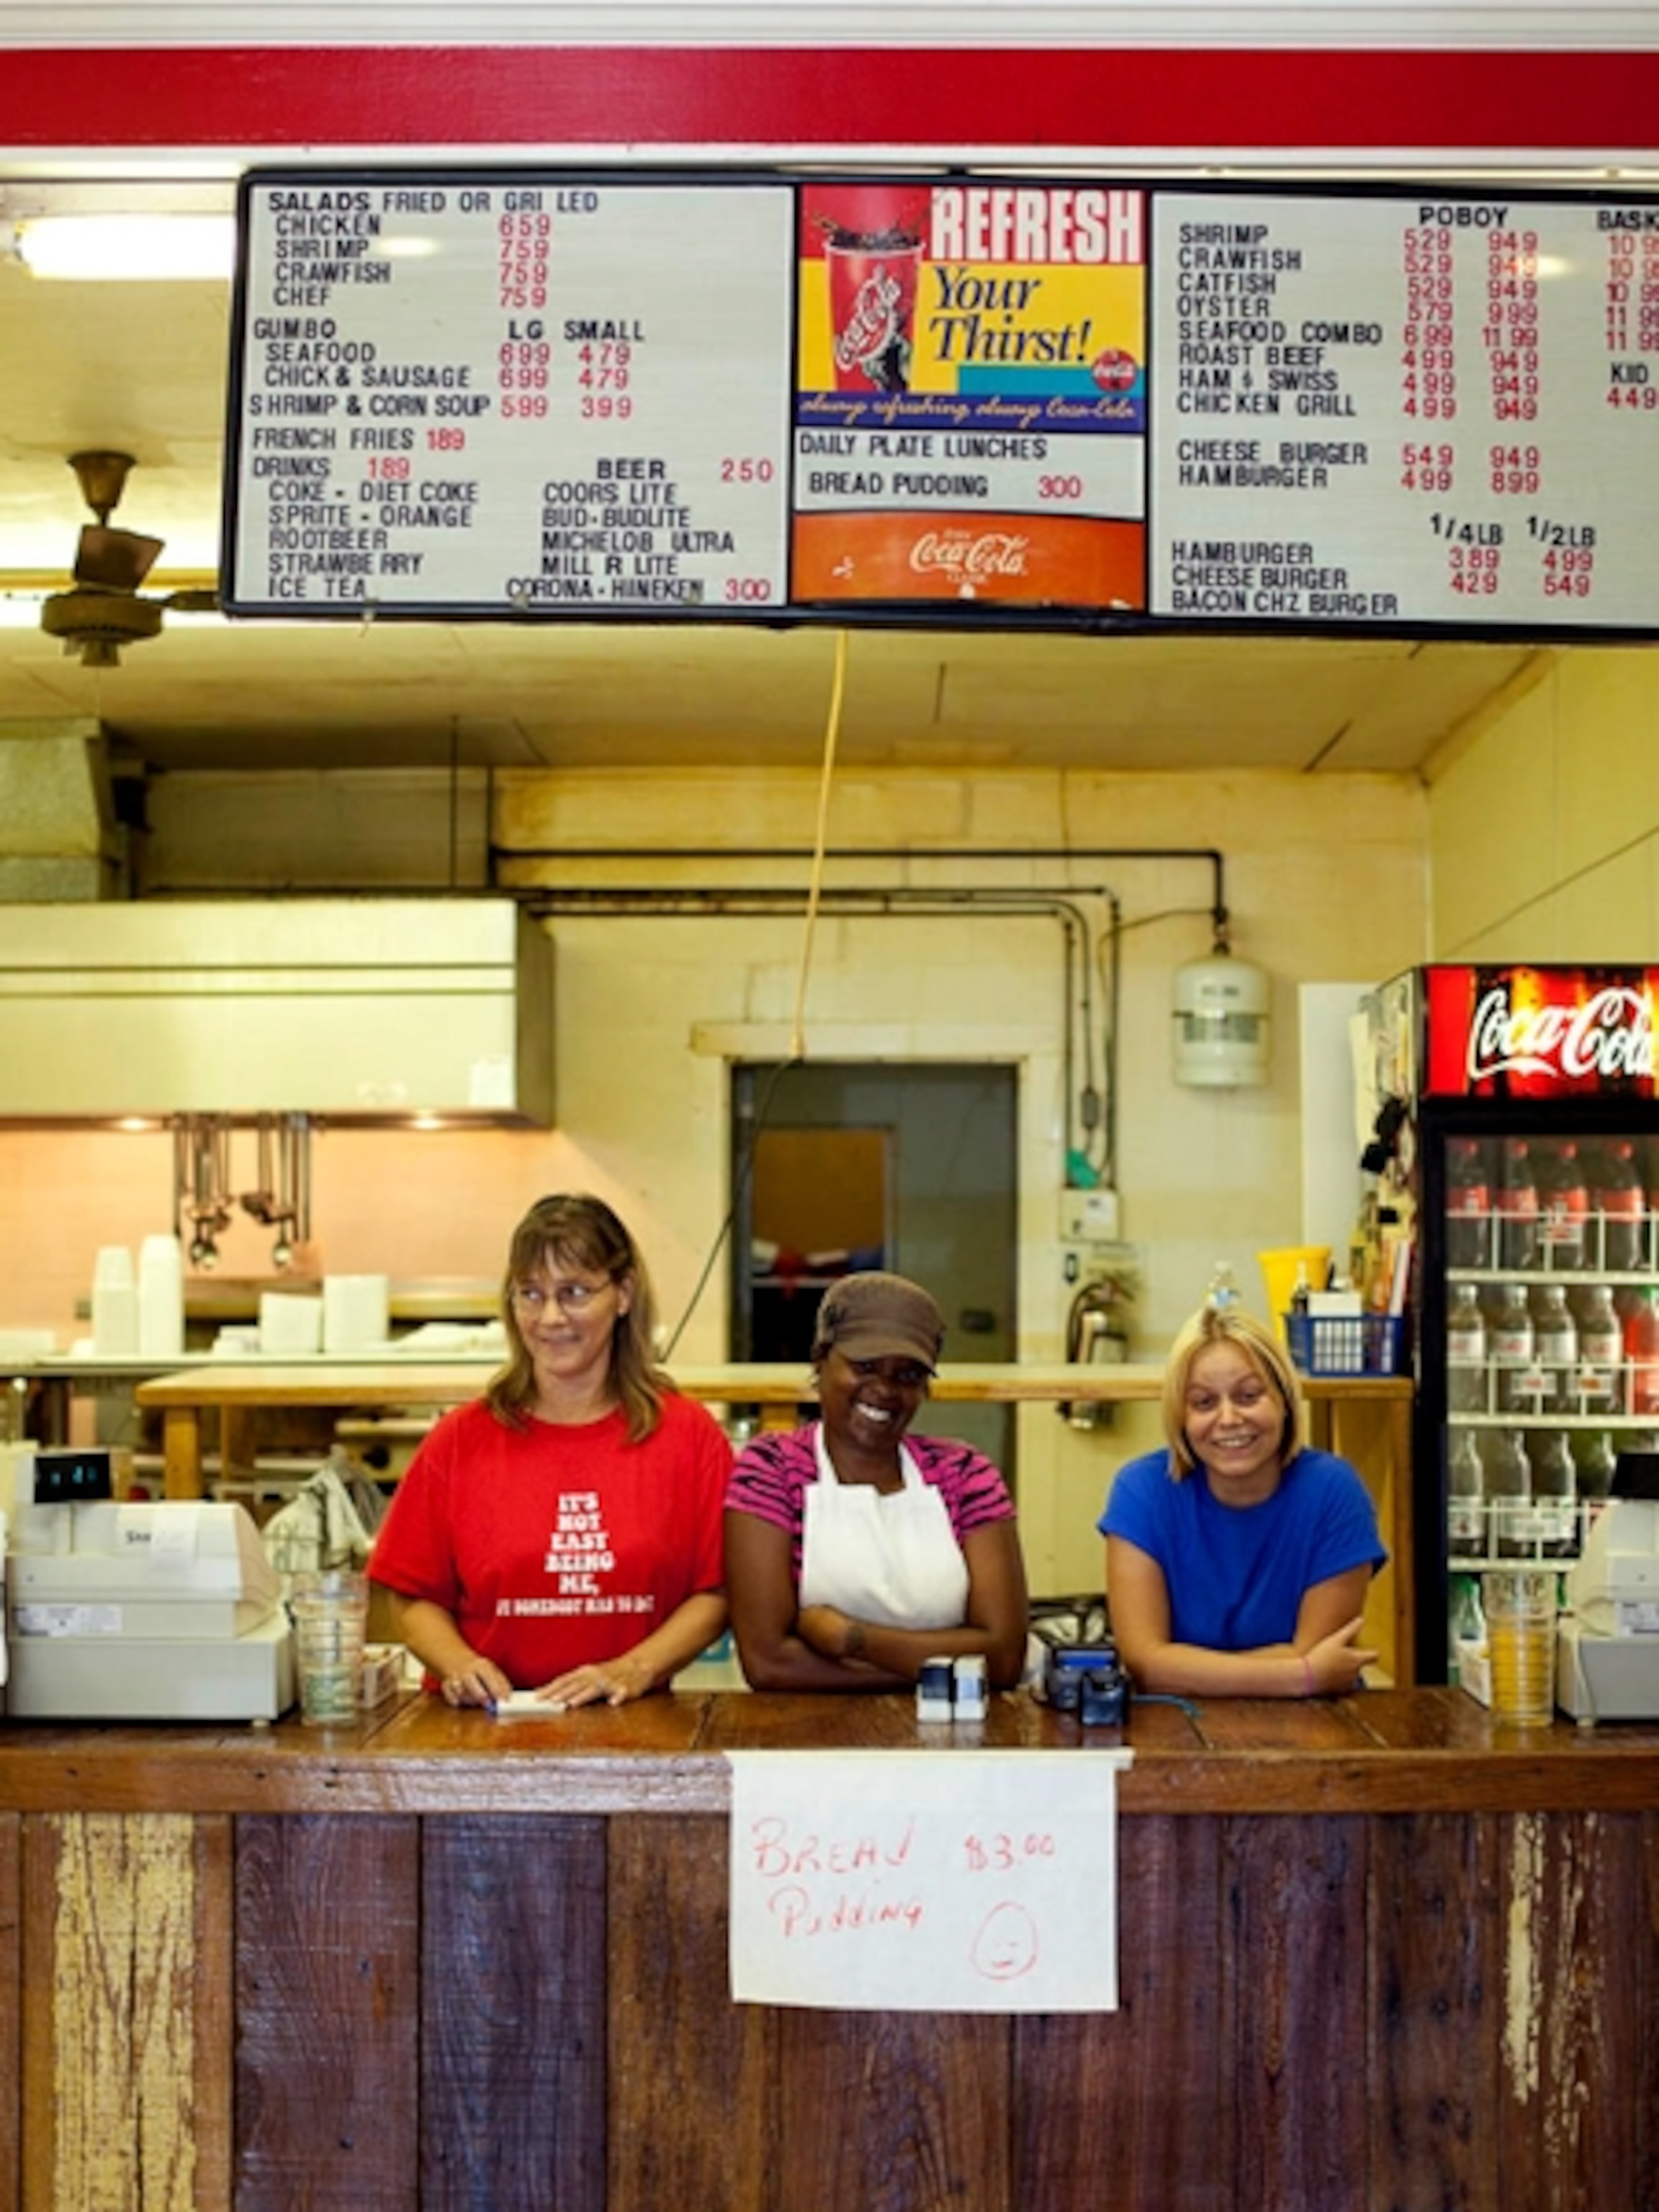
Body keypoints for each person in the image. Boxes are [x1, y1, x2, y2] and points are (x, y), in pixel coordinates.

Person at [369, 1192, 729, 1709]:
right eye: (530, 1294)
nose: (550, 1317)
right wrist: (460, 1665)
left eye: (576, 1292)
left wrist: (632, 1669)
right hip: (482, 1734)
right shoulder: (458, 1440)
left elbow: (719, 1592)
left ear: (623, 1293)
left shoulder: (689, 1437)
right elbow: (411, 1595)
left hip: (633, 1731)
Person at [724, 1271, 1028, 1691]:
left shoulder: (965, 1473)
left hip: (952, 1746)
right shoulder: (773, 1469)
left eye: (908, 1376)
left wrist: (852, 1639)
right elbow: (769, 1664)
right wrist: (941, 1673)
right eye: (865, 1366)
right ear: (821, 1360)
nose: (885, 1389)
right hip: (806, 1743)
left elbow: (1006, 1658)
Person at [1100, 1301, 1385, 1698]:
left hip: (1313, 1727)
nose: (1229, 1418)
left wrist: (1184, 1669)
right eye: (1204, 1403)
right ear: (1179, 1415)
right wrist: (1302, 1676)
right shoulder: (1141, 1491)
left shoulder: (1334, 1491)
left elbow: (1319, 1654)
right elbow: (1145, 1664)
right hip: (1175, 1731)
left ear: (1285, 1400)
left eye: (1249, 1396)